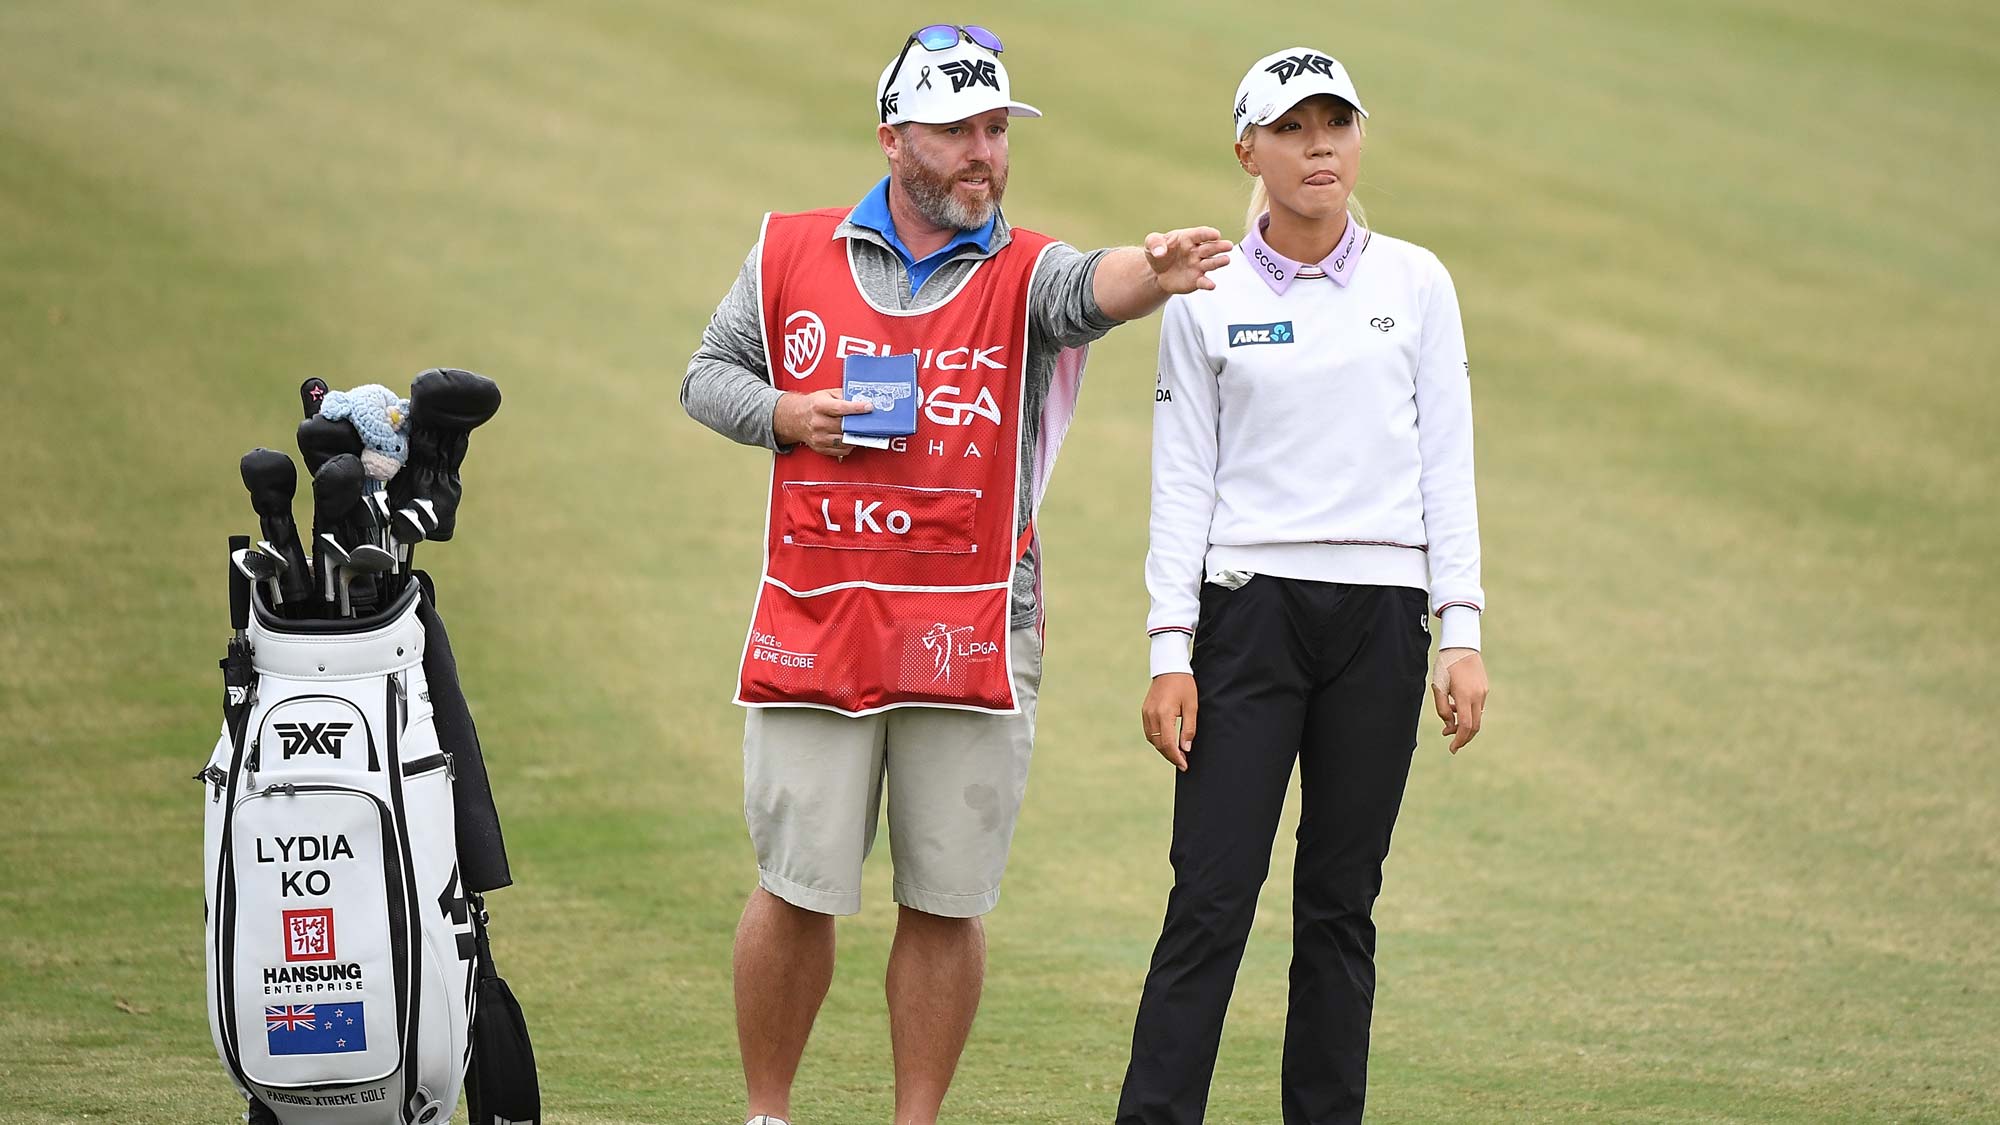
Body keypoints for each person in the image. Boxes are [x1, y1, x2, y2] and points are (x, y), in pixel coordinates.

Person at [679, 24, 1232, 1125]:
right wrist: (786, 412)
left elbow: (1095, 288)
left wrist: (1155, 274)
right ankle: (765, 1114)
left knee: (945, 894)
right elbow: (707, 375)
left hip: (975, 620)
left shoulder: (1026, 273)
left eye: (994, 129)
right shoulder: (789, 252)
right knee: (797, 887)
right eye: (957, 131)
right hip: (818, 614)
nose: (983, 152)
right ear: (894, 140)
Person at [1115, 47, 1490, 1125]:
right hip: (1248, 613)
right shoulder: (1205, 292)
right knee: (1210, 898)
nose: (1319, 145)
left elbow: (1444, 467)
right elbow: (1182, 478)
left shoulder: (1415, 281)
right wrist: (1168, 653)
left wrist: (1458, 632)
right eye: (1292, 127)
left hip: (1378, 619)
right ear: (1248, 149)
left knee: (1339, 906)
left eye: (1336, 123)